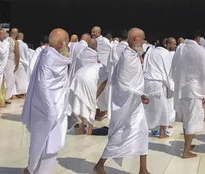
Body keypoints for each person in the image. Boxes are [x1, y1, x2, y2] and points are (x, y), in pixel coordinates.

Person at [93, 28, 150, 174]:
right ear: (135, 40)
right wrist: (140, 94)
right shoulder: (127, 57)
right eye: (142, 39)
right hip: (126, 103)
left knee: (142, 131)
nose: (144, 42)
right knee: (120, 134)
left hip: (134, 103)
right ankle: (100, 164)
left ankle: (143, 169)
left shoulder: (134, 54)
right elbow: (123, 83)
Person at [23, 28, 72, 174]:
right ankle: (32, 170)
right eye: (68, 41)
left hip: (58, 109)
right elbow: (43, 84)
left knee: (52, 145)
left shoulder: (58, 57)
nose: (69, 44)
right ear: (62, 42)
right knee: (44, 143)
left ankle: (35, 170)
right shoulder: (48, 57)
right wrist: (50, 111)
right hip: (46, 110)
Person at [171, 32, 205, 159]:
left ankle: (188, 144)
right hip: (195, 89)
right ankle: (186, 151)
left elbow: (174, 68)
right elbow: (204, 71)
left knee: (186, 118)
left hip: (182, 88)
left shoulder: (180, 48)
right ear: (198, 38)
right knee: (192, 119)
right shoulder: (200, 50)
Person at [70, 39, 108, 135]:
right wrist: (95, 96)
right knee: (91, 104)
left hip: (77, 76)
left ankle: (81, 129)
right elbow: (103, 86)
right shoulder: (107, 71)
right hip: (88, 79)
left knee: (80, 102)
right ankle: (90, 130)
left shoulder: (84, 55)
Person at [143, 39, 173, 139]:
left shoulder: (150, 51)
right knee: (163, 109)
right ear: (167, 45)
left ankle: (152, 129)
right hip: (157, 82)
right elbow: (168, 69)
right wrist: (172, 85)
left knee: (149, 107)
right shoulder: (166, 53)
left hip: (146, 81)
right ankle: (162, 132)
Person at [4, 28, 20, 100]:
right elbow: (17, 53)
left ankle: (3, 96)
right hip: (11, 62)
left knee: (5, 78)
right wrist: (17, 63)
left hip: (4, 61)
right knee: (10, 79)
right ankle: (6, 97)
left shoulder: (6, 40)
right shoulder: (15, 42)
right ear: (16, 34)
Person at [15, 32, 30, 98]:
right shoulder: (24, 45)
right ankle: (22, 93)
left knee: (15, 80)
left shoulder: (14, 43)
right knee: (22, 80)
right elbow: (27, 55)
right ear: (22, 37)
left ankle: (14, 93)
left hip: (15, 64)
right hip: (23, 64)